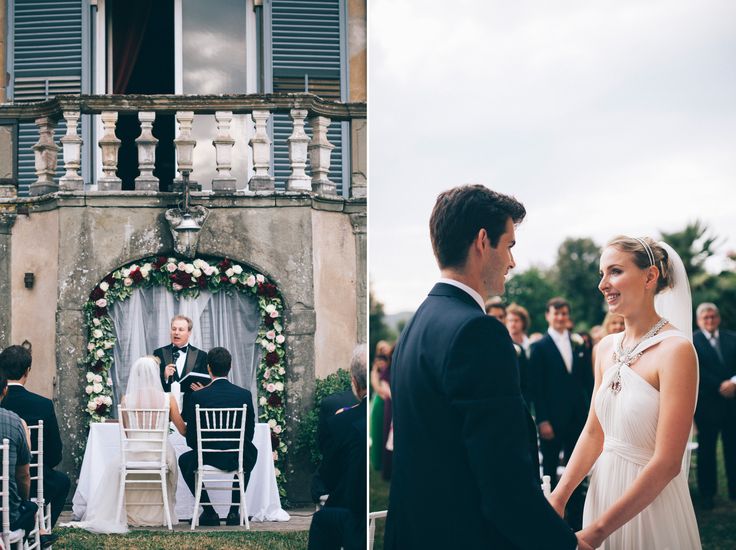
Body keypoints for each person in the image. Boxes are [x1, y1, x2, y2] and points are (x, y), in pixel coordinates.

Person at [384, 185, 583, 550]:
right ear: (482, 241)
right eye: (508, 245)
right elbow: (503, 480)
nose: (512, 262)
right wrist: (565, 544)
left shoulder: (417, 324)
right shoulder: (478, 332)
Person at [548, 236, 701, 548]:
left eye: (615, 271)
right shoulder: (605, 348)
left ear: (649, 276)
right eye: (601, 274)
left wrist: (596, 532)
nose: (603, 284)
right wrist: (559, 499)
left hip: (650, 502)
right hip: (603, 489)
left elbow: (669, 462)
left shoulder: (676, 350)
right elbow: (594, 432)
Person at [65, 356, 186, 533]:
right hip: (159, 454)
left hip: (135, 454)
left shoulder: (126, 400)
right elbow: (182, 430)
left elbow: (128, 433)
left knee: (113, 468)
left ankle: (130, 513)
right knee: (171, 459)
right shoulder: (168, 399)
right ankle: (160, 514)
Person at [531, 297, 593, 530]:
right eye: (556, 313)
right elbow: (536, 388)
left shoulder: (578, 344)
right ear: (548, 315)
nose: (560, 317)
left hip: (578, 419)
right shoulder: (538, 348)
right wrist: (543, 420)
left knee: (576, 467)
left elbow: (588, 381)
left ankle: (576, 519)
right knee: (548, 469)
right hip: (552, 421)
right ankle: (550, 520)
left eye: (564, 313)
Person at [179, 347, 257, 527]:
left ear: (208, 368)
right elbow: (249, 434)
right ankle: (233, 512)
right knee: (249, 453)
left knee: (184, 460)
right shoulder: (244, 395)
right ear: (230, 367)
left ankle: (209, 512)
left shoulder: (197, 396)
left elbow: (191, 439)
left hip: (207, 456)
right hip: (234, 456)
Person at [0, 345, 70, 528]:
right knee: (62, 482)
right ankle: (42, 529)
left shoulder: (3, 401)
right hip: (33, 476)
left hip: (3, 475)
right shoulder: (43, 405)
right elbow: (55, 454)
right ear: (27, 371)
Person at [308, 345, 367, 550]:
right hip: (393, 512)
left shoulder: (342, 422)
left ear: (354, 381)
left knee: (322, 520)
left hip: (355, 515)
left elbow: (329, 475)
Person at [692, 302, 736, 509]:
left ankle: (734, 490)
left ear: (718, 318)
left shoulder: (731, 338)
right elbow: (695, 369)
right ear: (699, 320)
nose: (709, 321)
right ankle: (707, 494)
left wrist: (733, 382)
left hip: (732, 403)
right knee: (707, 450)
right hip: (707, 405)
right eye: (705, 318)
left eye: (712, 317)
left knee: (733, 448)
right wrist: (719, 384)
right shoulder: (691, 341)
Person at [0, 372, 40, 543]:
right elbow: (23, 474)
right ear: (4, 390)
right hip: (5, 516)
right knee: (30, 508)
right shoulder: (14, 422)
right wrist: (23, 500)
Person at [153, 315, 208, 395]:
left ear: (189, 332)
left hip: (191, 404)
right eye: (174, 329)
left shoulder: (201, 355)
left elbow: (206, 382)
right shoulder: (158, 353)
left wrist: (202, 390)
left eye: (181, 330)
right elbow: (152, 382)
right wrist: (164, 376)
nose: (176, 333)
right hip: (168, 404)